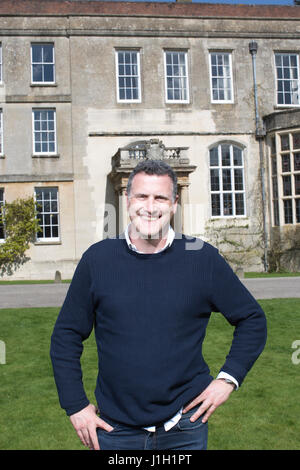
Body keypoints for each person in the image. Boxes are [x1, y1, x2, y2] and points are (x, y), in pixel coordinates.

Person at [50, 159, 267, 450]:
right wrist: (76, 405)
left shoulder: (202, 259)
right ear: (128, 200)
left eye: (160, 198)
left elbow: (252, 318)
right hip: (115, 431)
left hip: (185, 429)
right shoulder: (98, 260)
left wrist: (227, 380)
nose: (150, 207)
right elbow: (66, 335)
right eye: (142, 196)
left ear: (174, 204)